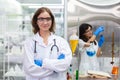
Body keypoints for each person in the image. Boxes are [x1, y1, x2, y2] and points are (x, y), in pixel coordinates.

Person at [23, 7, 72, 80]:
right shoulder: (29, 43)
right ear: (36, 21)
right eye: (41, 19)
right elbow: (30, 69)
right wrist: (55, 69)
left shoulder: (61, 42)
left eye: (48, 19)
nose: (45, 22)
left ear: (52, 21)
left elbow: (65, 64)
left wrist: (43, 63)